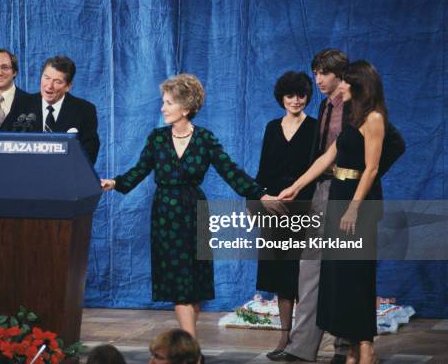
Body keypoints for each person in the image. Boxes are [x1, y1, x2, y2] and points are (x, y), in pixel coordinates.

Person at [101, 74, 275, 338]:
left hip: (194, 213)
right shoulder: (157, 138)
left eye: (168, 102)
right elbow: (139, 170)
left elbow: (230, 171)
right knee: (179, 286)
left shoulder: (205, 138)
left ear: (185, 108)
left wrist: (259, 194)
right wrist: (114, 182)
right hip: (165, 216)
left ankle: (189, 347)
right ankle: (191, 348)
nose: (162, 108)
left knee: (193, 285)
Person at [279, 60, 385, 364]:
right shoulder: (350, 117)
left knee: (356, 275)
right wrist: (297, 186)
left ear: (356, 84)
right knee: (334, 274)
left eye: (345, 82)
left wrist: (354, 208)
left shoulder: (373, 117)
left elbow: (373, 167)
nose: (340, 87)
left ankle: (361, 345)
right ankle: (346, 346)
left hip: (355, 201)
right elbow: (327, 157)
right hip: (335, 193)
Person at [271, 49, 351, 364]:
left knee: (344, 269)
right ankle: (302, 347)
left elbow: (385, 147)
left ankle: (344, 347)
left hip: (348, 191)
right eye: (316, 72)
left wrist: (362, 181)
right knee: (310, 268)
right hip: (323, 189)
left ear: (339, 74)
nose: (318, 79)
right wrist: (299, 186)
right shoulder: (325, 106)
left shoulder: (356, 105)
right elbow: (322, 155)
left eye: (323, 73)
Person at [254, 71, 317, 359]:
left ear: (307, 96)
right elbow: (263, 171)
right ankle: (284, 338)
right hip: (275, 209)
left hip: (306, 207)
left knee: (304, 277)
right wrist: (260, 200)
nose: (295, 100)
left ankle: (304, 340)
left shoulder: (316, 127)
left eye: (301, 94)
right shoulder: (271, 128)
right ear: (281, 97)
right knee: (281, 278)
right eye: (290, 95)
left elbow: (318, 172)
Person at [37, 55, 99, 164]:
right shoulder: (23, 105)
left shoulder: (85, 111)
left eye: (57, 81)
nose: (49, 86)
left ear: (68, 86)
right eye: (46, 78)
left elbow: (89, 154)